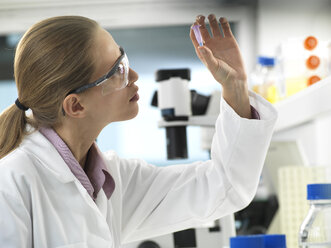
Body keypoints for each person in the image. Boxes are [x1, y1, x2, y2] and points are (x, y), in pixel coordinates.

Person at [0, 14, 277, 248]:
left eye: (124, 58)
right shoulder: (12, 184)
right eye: (116, 71)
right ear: (75, 106)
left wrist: (236, 86)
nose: (133, 76)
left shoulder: (111, 179)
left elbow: (223, 186)